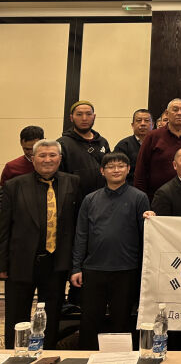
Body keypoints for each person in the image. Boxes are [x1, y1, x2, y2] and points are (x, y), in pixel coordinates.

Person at [0, 140, 81, 349]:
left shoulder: (73, 183)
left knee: (51, 316)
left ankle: (47, 353)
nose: (47, 160)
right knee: (16, 316)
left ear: (60, 158)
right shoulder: (14, 186)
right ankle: (15, 353)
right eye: (42, 155)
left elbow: (77, 224)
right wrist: (2, 265)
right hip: (21, 262)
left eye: (52, 155)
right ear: (33, 158)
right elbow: (3, 228)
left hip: (56, 262)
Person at [70, 152, 149, 349]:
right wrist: (76, 268)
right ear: (102, 171)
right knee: (90, 319)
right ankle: (86, 356)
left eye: (121, 166)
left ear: (128, 169)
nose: (116, 170)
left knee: (121, 320)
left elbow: (146, 236)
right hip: (93, 269)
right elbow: (81, 235)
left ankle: (120, 358)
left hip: (126, 269)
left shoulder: (139, 198)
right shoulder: (90, 199)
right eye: (111, 167)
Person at [134, 98, 181, 201]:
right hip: (157, 197)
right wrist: (142, 201)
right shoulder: (153, 136)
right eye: (175, 110)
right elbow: (141, 171)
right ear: (167, 113)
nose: (179, 113)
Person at [58, 100, 110, 196]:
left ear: (94, 117)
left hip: (101, 197)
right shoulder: (62, 144)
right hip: (73, 198)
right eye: (79, 114)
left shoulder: (102, 142)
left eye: (88, 114)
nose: (84, 118)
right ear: (71, 118)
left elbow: (108, 169)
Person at [113, 109, 153, 184]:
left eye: (147, 120)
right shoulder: (123, 145)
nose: (143, 124)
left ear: (152, 125)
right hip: (130, 187)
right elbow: (117, 171)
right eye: (139, 120)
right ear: (132, 125)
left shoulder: (158, 144)